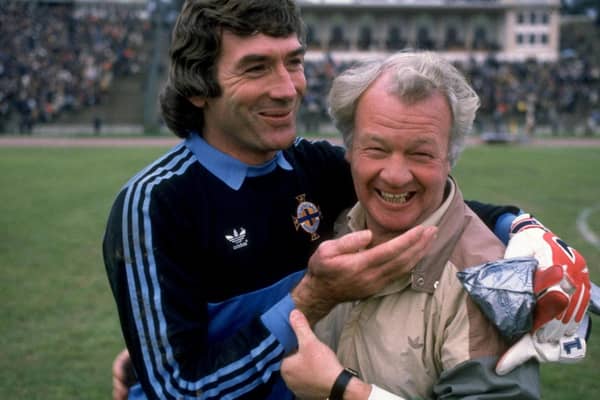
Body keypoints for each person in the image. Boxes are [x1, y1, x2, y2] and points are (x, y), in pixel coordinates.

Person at [103, 1, 589, 399]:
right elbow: (177, 392)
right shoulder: (156, 203)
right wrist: (313, 299)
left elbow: (419, 192)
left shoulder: (310, 167)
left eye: (293, 61)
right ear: (198, 86)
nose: (287, 88)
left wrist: (525, 230)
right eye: (256, 67)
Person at [280, 51, 589, 400]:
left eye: (421, 154)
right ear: (349, 151)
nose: (395, 176)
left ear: (449, 158)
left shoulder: (489, 283)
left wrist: (345, 390)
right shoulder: (331, 219)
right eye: (376, 149)